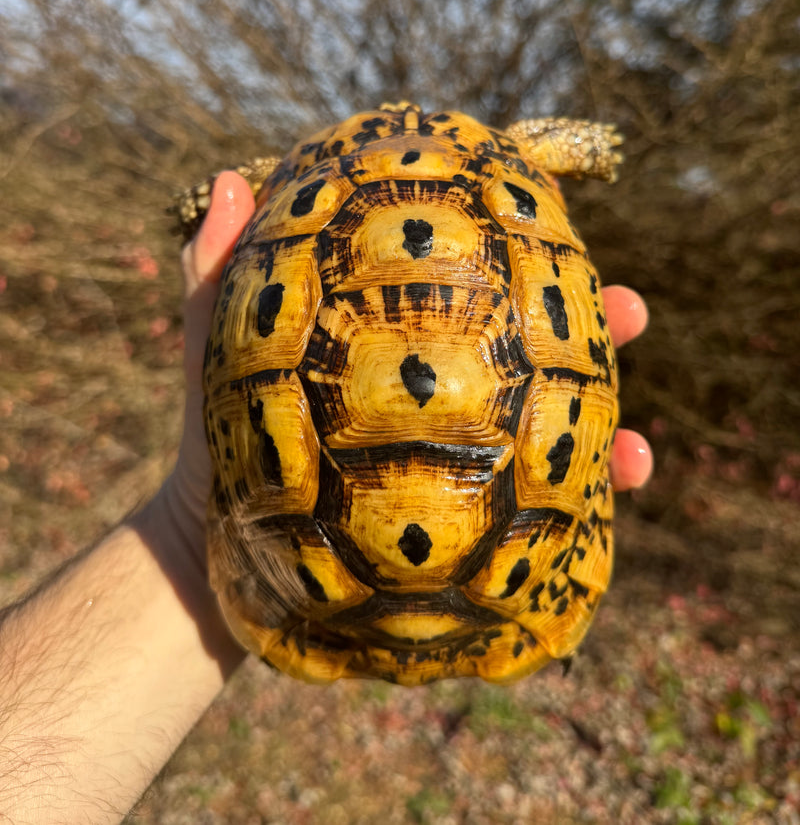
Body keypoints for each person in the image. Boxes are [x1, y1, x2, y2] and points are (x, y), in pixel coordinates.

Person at [0, 171, 653, 825]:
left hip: (299, 573)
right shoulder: (519, 174)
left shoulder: (305, 177)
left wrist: (191, 534)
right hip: (510, 587)